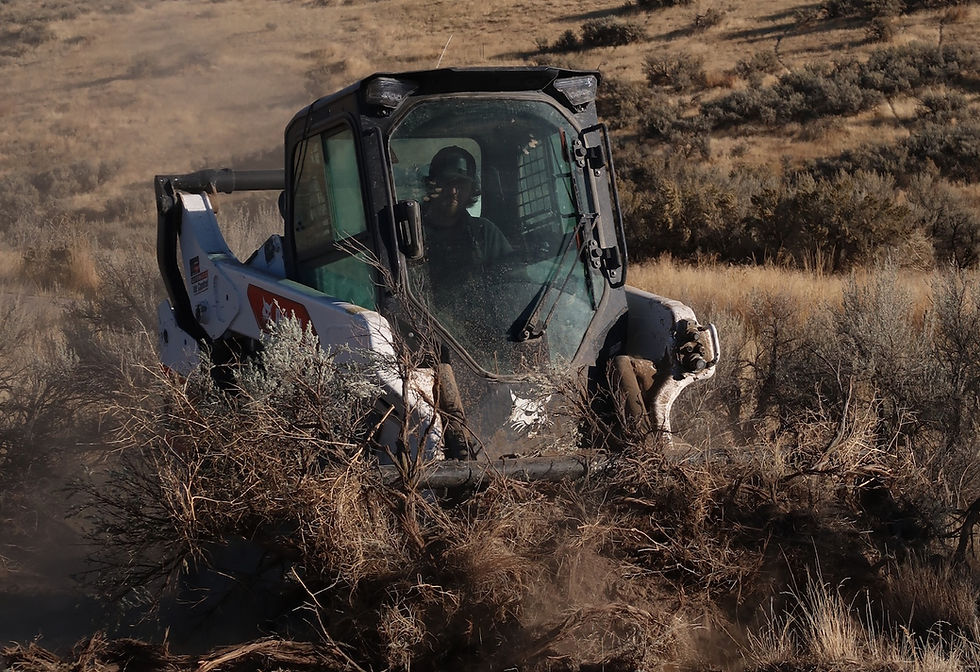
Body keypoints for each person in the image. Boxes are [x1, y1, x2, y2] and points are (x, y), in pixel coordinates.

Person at [421, 145, 512, 285]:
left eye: (461, 184)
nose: (453, 191)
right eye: (447, 182)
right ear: (433, 184)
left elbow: (513, 280)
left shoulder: (484, 232)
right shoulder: (412, 229)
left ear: (472, 189)